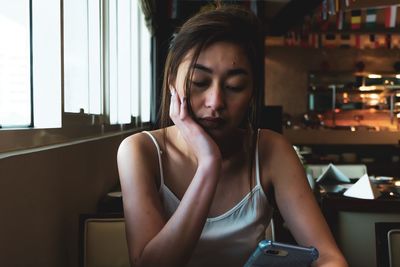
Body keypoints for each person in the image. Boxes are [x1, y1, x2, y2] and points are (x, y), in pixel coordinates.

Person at [117, 5, 347, 267]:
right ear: (172, 83)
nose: (215, 102)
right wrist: (209, 164)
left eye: (234, 86)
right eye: (199, 82)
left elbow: (329, 257)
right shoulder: (139, 150)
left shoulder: (271, 150)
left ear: (251, 93)